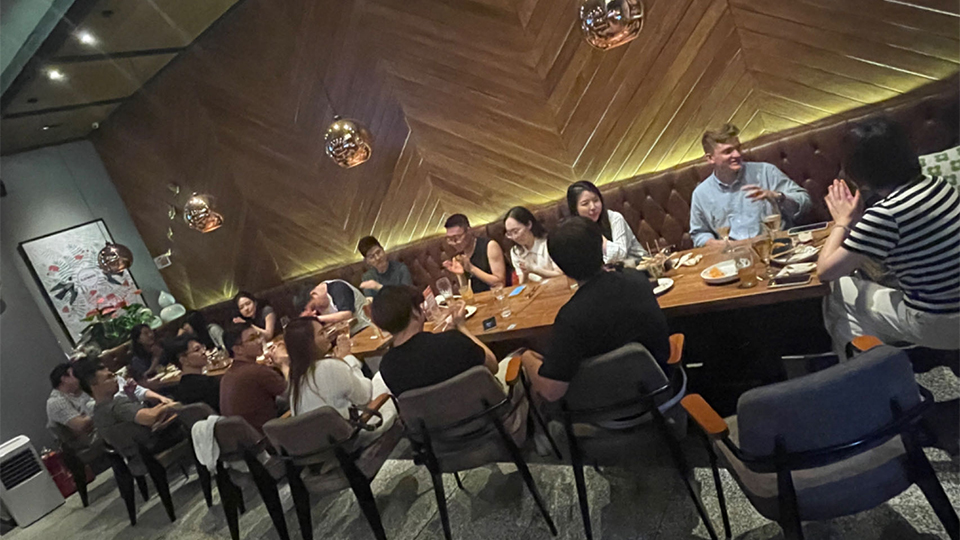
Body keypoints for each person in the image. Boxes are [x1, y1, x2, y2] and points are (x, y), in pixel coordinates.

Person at [818, 117, 959, 358]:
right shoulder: (938, 185)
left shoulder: (886, 214)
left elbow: (825, 271)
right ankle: (870, 362)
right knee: (851, 312)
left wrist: (842, 221)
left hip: (941, 325)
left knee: (838, 291)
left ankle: (865, 369)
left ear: (858, 172)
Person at [521, 217, 671, 403]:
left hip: (604, 409)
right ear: (601, 246)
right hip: (660, 389)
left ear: (560, 266)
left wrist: (526, 357)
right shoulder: (637, 280)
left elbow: (552, 392)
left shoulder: (571, 317)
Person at [372, 285, 511, 396]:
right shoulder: (452, 342)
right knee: (518, 357)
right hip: (488, 415)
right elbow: (493, 366)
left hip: (435, 424)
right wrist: (462, 328)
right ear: (414, 312)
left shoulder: (387, 367)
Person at [690, 123, 811, 248]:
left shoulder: (765, 172)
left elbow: (805, 202)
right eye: (728, 151)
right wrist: (716, 243)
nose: (737, 155)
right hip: (735, 254)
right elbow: (699, 233)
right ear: (710, 158)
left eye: (738, 148)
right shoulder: (701, 194)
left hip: (777, 246)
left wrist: (777, 196)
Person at [282, 317, 396, 441]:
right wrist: (347, 358)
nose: (327, 336)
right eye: (321, 333)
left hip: (322, 445)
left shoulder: (294, 377)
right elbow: (365, 396)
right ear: (308, 344)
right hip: (356, 434)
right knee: (381, 376)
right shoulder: (329, 366)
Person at [72, 358, 182, 453]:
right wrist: (168, 406)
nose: (115, 379)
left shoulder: (97, 413)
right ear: (94, 386)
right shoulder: (117, 405)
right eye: (109, 377)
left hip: (134, 455)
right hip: (155, 445)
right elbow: (150, 417)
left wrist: (131, 396)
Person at [219, 323, 287, 433]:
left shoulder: (227, 375)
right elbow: (294, 395)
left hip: (244, 438)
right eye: (252, 339)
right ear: (238, 349)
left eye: (258, 336)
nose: (259, 341)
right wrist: (284, 364)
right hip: (269, 435)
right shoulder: (257, 371)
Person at [566, 181, 648, 265]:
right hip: (607, 271)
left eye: (596, 200)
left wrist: (596, 233)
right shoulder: (574, 230)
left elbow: (620, 256)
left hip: (639, 265)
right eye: (585, 204)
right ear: (575, 209)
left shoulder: (614, 218)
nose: (593, 207)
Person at [442, 214, 507, 293]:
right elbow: (466, 291)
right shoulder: (459, 255)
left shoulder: (490, 246)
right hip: (479, 298)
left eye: (457, 238)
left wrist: (471, 268)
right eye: (449, 239)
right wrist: (460, 275)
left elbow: (500, 283)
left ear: (469, 231)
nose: (454, 243)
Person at [504, 206, 563, 284]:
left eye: (516, 231)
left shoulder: (549, 243)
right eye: (509, 234)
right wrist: (525, 273)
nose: (514, 237)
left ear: (529, 224)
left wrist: (534, 269)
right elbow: (523, 284)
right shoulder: (516, 251)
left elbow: (560, 274)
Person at [169, 334, 221, 412]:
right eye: (197, 350)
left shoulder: (179, 389)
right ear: (183, 360)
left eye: (202, 347)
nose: (203, 352)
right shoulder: (209, 383)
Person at [300, 280, 372, 335]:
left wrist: (315, 319)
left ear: (314, 294)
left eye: (313, 307)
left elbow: (347, 314)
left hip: (366, 327)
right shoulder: (318, 305)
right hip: (348, 336)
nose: (315, 311)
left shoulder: (338, 288)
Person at [46, 363, 95, 441]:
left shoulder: (81, 389)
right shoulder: (55, 402)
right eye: (75, 374)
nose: (79, 377)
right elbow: (80, 425)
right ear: (64, 379)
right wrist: (99, 409)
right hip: (84, 443)